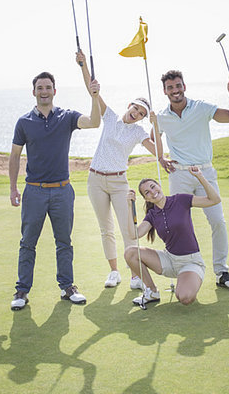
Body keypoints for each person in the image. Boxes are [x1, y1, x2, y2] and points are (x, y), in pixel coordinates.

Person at [9, 70, 101, 311]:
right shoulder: (24, 122)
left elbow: (94, 122)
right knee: (28, 242)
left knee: (64, 242)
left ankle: (67, 286)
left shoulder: (67, 117)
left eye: (48, 87)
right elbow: (15, 156)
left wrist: (94, 96)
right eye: (40, 88)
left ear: (54, 91)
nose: (44, 91)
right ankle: (22, 290)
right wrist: (12, 188)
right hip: (34, 191)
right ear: (34, 92)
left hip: (62, 190)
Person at [76, 50, 159, 290]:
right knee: (106, 229)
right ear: (130, 105)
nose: (137, 114)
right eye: (136, 109)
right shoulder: (110, 116)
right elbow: (92, 90)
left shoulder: (138, 132)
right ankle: (114, 272)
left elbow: (156, 151)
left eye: (142, 114)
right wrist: (83, 66)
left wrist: (157, 125)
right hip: (95, 180)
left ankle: (135, 275)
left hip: (120, 183)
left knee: (129, 231)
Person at [153, 70, 229, 290]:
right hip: (179, 175)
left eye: (178, 86)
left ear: (184, 86)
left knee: (218, 221)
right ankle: (180, 268)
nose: (175, 91)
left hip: (205, 174)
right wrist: (160, 157)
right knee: (176, 224)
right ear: (165, 91)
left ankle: (222, 271)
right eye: (171, 87)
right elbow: (155, 136)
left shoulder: (201, 108)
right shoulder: (161, 116)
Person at [125, 166, 221, 305]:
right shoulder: (152, 215)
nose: (152, 192)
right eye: (147, 192)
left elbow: (214, 200)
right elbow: (134, 234)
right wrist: (129, 205)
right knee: (130, 253)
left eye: (153, 187)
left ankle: (188, 279)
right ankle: (152, 291)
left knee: (185, 298)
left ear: (159, 185)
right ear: (146, 199)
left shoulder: (180, 200)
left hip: (191, 262)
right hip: (169, 260)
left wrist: (199, 176)